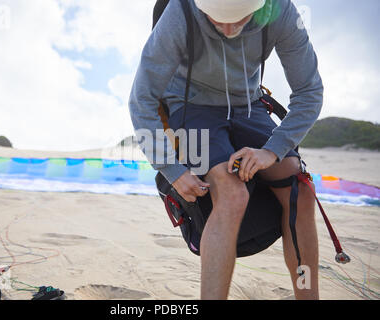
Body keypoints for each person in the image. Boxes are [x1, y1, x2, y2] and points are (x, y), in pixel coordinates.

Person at [128, 0, 323, 300]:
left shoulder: (281, 11)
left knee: (300, 187)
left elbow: (309, 91)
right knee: (232, 194)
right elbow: (142, 98)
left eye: (240, 18)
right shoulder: (180, 11)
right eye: (218, 19)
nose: (230, 29)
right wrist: (172, 169)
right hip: (190, 105)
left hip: (248, 104)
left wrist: (272, 151)